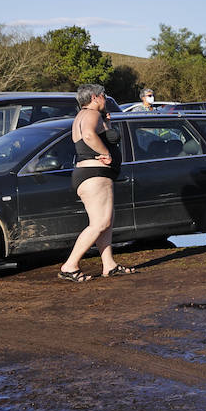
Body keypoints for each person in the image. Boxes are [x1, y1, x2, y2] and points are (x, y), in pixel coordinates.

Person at [59, 83, 132, 282]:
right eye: (104, 96)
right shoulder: (91, 114)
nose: (106, 99)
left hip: (89, 174)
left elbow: (95, 133)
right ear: (94, 97)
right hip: (95, 174)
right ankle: (70, 266)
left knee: (105, 223)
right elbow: (90, 135)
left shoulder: (83, 116)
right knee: (100, 223)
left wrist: (106, 123)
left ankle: (109, 265)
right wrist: (106, 153)